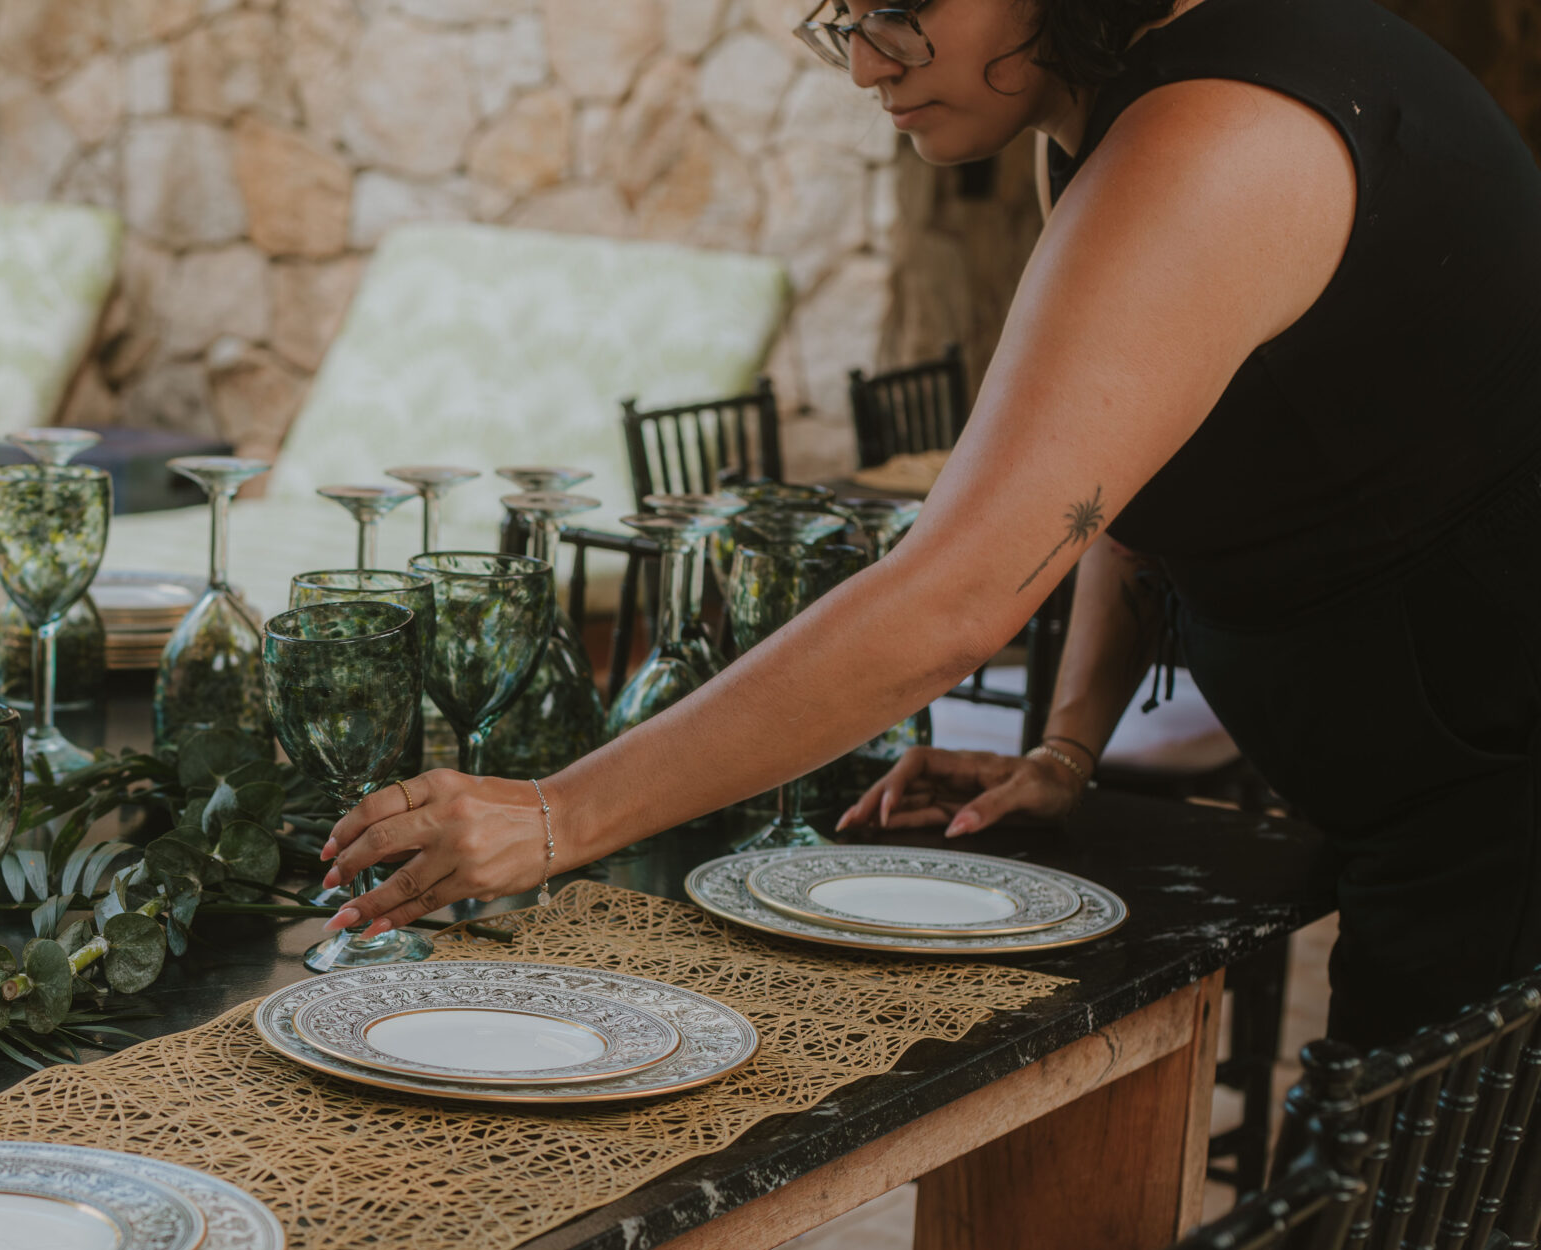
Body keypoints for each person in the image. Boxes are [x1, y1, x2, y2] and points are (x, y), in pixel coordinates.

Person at [318, 0, 1541, 1045]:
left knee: (1425, 1241)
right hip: (1430, 797)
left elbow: (955, 595)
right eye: (845, 17)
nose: (864, 63)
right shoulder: (1110, 120)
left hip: (1499, 804)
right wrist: (1065, 750)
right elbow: (1117, 489)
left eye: (904, 9)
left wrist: (557, 814)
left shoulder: (1210, 136)